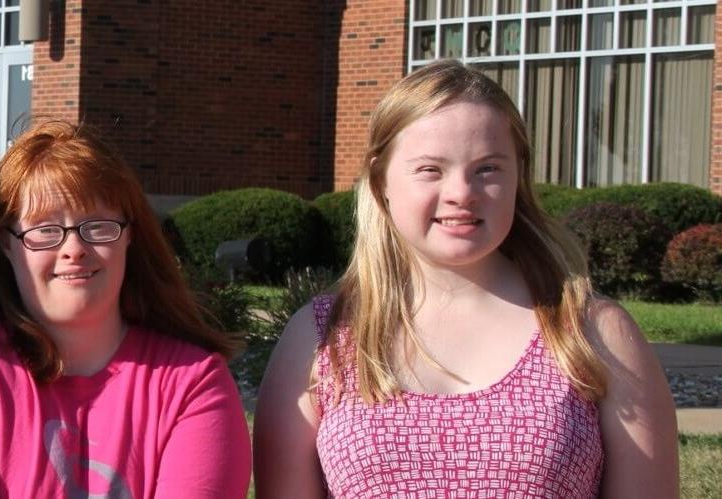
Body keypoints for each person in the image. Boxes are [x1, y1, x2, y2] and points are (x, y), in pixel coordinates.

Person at [253, 59, 679, 498]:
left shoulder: (594, 334)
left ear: (519, 175)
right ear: (381, 181)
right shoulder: (322, 341)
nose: (461, 193)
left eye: (488, 169)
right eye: (430, 170)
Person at [0, 120, 250, 498]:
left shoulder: (193, 382)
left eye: (97, 225)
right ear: (6, 245)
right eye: (44, 229)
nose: (74, 249)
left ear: (129, 236)